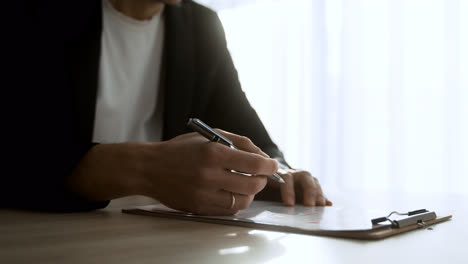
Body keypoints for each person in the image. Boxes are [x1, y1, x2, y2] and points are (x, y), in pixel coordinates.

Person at [1, 0, 331, 215]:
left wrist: (280, 172)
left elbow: (251, 135)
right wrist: (144, 168)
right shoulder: (33, 15)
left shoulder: (200, 26)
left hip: (158, 239)